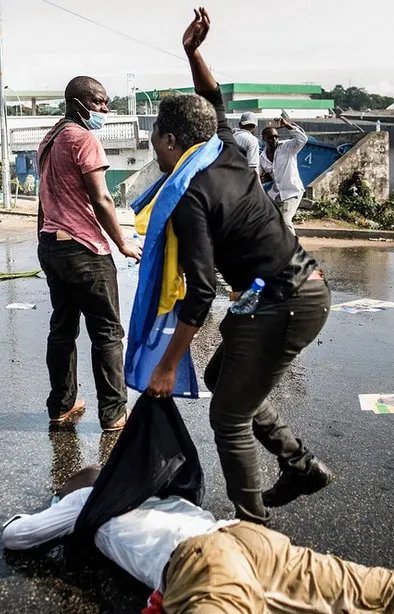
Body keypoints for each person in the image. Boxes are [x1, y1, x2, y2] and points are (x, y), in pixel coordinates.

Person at [142, 8, 332, 524]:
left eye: (157, 136)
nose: (154, 146)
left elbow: (200, 294)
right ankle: (300, 466)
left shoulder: (189, 192)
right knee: (221, 372)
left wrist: (163, 367)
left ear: (173, 142)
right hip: (295, 290)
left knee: (228, 417)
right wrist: (192, 53)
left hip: (286, 301)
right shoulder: (219, 148)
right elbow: (212, 98)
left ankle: (253, 531)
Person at [2, 465, 394, 614]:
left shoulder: (82, 503)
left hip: (205, 563)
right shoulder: (159, 490)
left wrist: (63, 506)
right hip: (248, 541)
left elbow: (18, 537)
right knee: (392, 591)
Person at [36, 75, 142, 431]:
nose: (105, 109)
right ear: (78, 102)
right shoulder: (84, 138)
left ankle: (61, 405)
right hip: (84, 250)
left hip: (52, 246)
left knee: (62, 329)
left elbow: (44, 196)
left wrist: (43, 238)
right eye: (99, 102)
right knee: (108, 332)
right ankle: (113, 414)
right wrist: (123, 243)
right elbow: (102, 198)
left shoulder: (50, 138)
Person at [259, 114, 309, 235]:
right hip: (276, 194)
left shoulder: (287, 147)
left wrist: (287, 125)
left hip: (292, 192)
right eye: (271, 138)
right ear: (264, 139)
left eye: (276, 137)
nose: (275, 140)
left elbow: (303, 139)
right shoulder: (262, 158)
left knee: (286, 220)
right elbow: (257, 175)